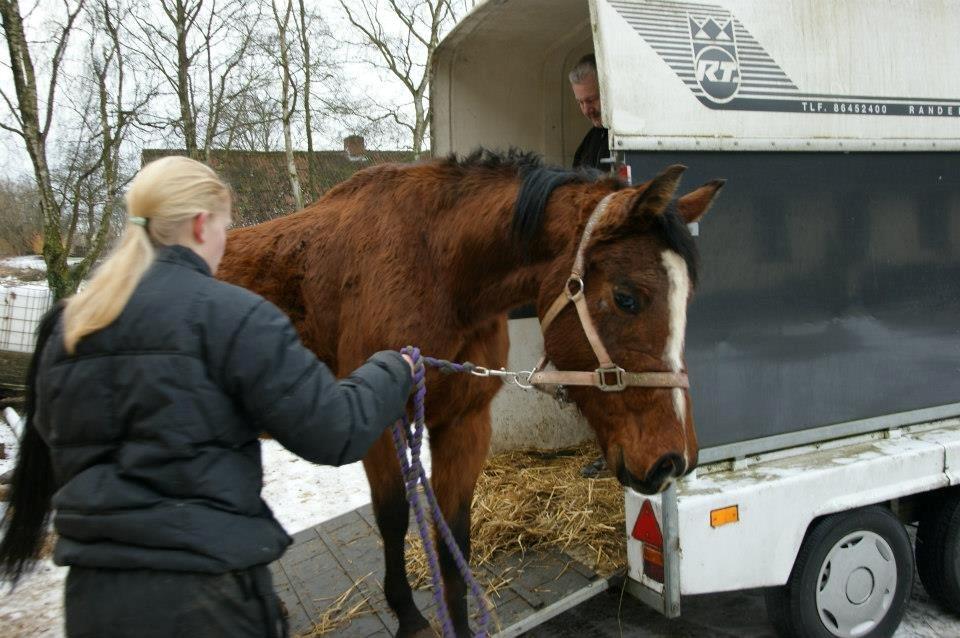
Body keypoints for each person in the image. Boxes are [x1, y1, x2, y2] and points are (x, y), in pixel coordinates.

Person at [0, 156, 414, 638]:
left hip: (93, 600)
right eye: (225, 227)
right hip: (208, 600)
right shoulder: (235, 316)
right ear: (200, 225)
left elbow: (59, 454)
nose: (226, 241)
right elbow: (335, 433)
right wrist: (391, 368)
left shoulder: (70, 326)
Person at [569, 54, 610, 170]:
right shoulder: (587, 143)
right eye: (580, 103)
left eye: (591, 100)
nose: (586, 110)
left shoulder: (627, 137)